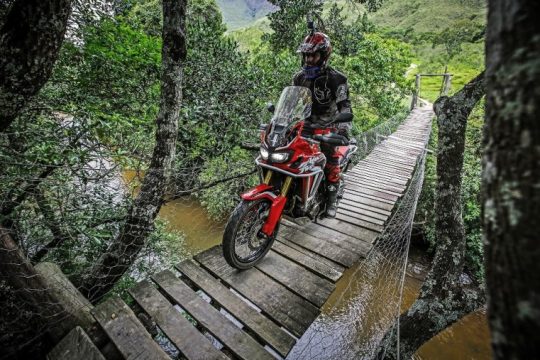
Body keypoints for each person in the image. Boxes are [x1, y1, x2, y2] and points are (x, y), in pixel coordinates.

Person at [292, 31, 353, 218]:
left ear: (324, 55)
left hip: (331, 125)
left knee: (330, 159)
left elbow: (346, 107)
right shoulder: (299, 78)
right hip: (307, 124)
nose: (309, 60)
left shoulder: (336, 79)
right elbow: (292, 103)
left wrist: (341, 124)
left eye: (313, 55)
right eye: (306, 55)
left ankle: (331, 201)